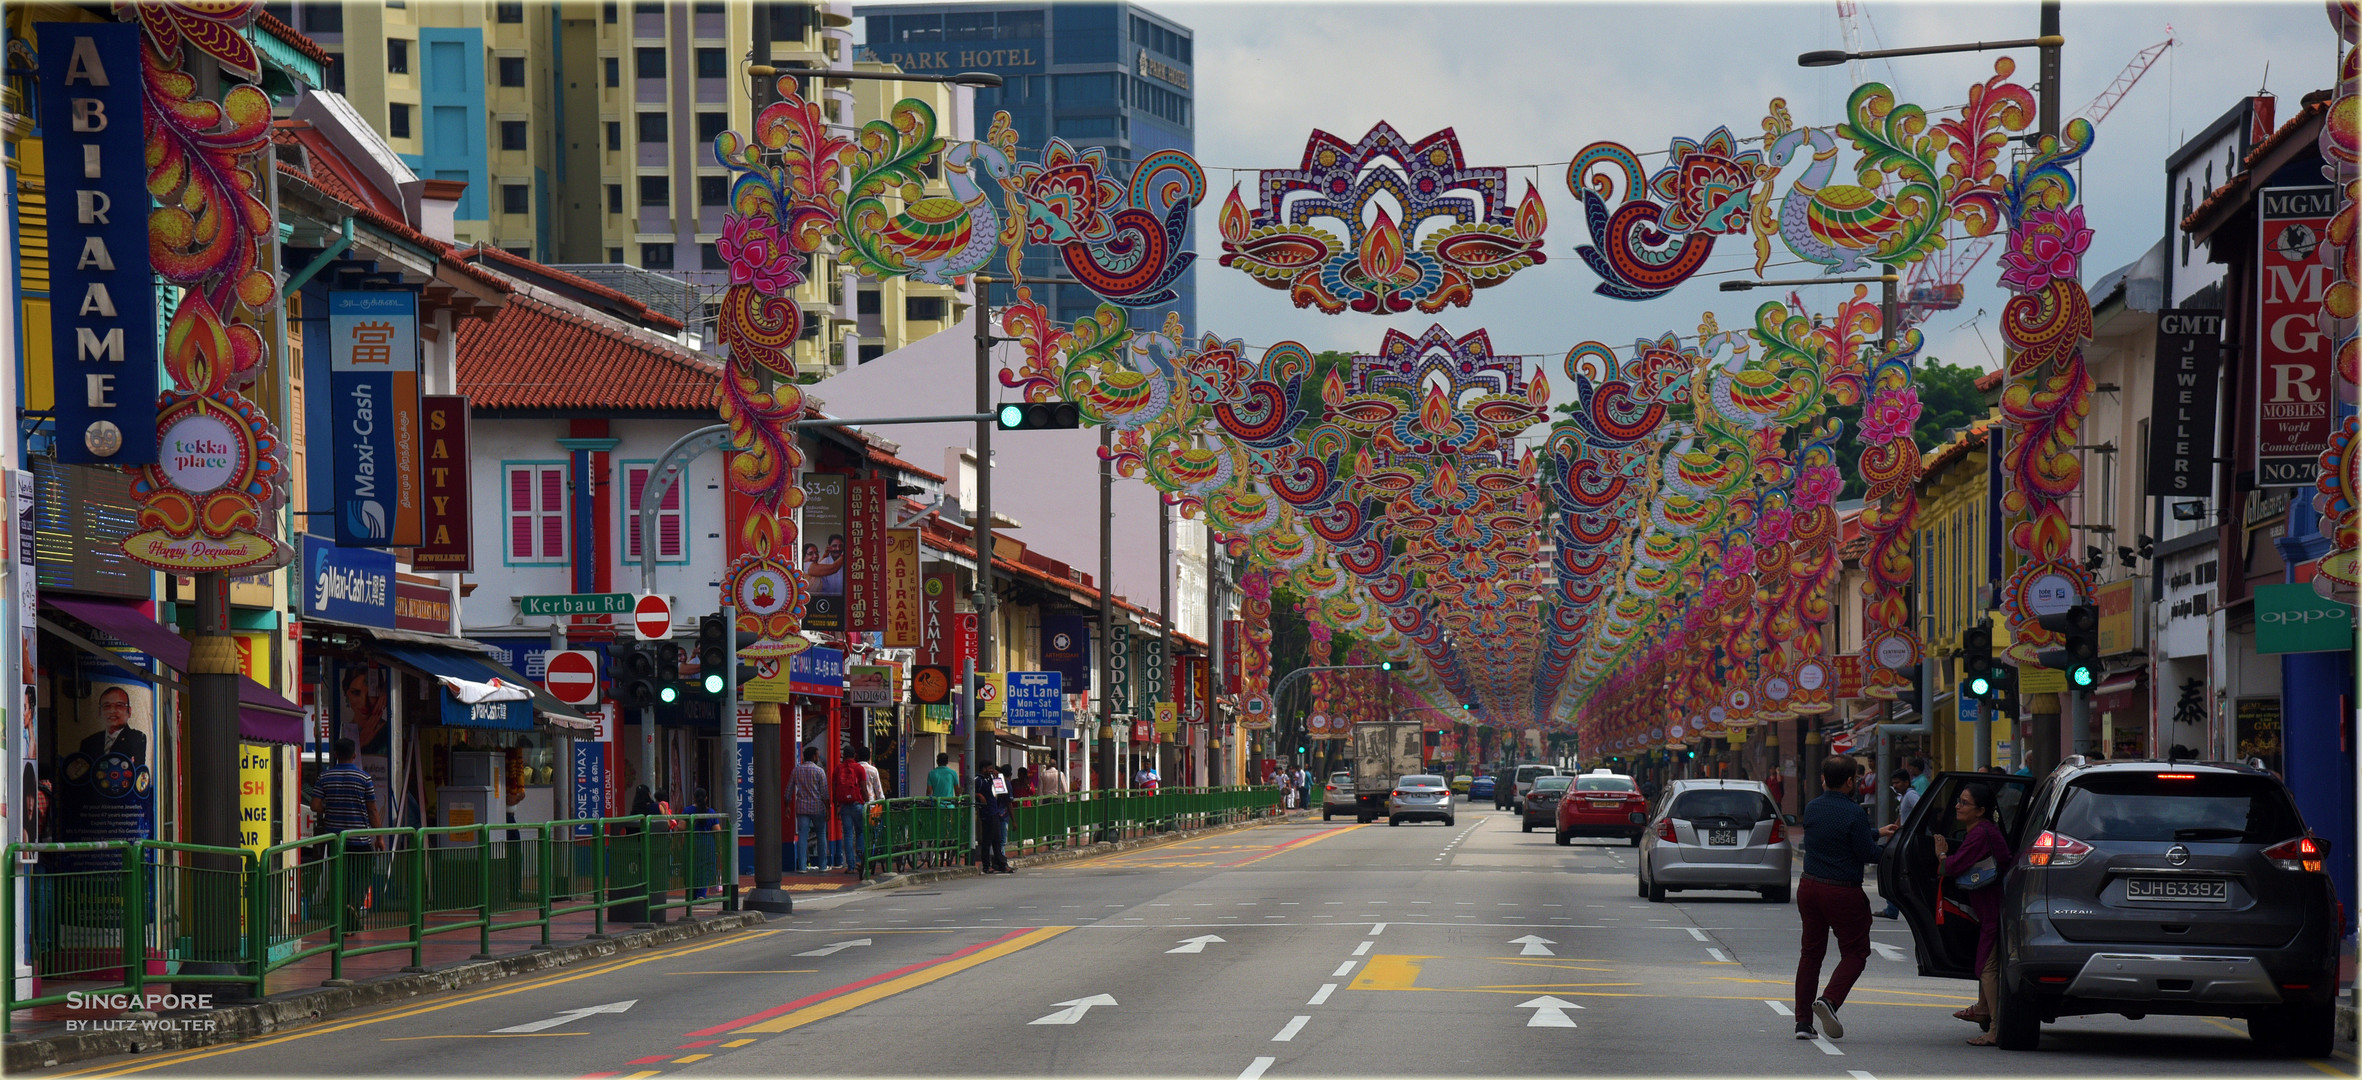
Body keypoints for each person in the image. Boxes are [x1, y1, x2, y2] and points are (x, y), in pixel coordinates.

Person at [1794, 755, 1902, 1041]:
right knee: (1855, 953)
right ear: (1851, 781)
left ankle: (1803, 1022)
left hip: (1809, 888)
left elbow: (1837, 833)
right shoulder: (1854, 812)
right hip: (1842, 891)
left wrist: (1877, 832)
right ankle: (1829, 1000)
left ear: (1823, 779)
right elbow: (1865, 852)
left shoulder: (1813, 808)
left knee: (1810, 955)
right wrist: (1895, 855)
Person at [1941, 783, 2014, 1044]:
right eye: (1959, 801)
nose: (1958, 806)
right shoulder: (1981, 831)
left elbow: (1952, 866)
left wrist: (1940, 854)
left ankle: (1995, 1028)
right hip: (1990, 911)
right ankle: (1983, 1008)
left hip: (1994, 912)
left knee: (1987, 966)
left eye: (1964, 803)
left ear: (1981, 810)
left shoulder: (1981, 834)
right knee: (1985, 962)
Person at [314, 738, 383, 931]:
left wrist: (331, 808)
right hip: (360, 839)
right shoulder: (364, 778)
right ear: (354, 755)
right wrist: (379, 837)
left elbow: (315, 805)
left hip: (336, 839)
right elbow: (372, 811)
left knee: (340, 878)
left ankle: (344, 921)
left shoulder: (324, 777)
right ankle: (352, 906)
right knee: (364, 874)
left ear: (335, 754)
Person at [1875, 770, 1917, 920]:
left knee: (1894, 873)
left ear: (1906, 782)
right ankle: (1892, 908)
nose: (1895, 786)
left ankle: (1893, 909)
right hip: (1902, 839)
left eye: (1898, 783)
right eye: (1893, 783)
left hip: (1907, 842)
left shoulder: (1911, 795)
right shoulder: (1905, 797)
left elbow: (1920, 810)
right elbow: (1902, 816)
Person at [832, 747, 880, 877]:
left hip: (844, 806)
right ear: (854, 755)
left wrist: (837, 806)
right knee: (860, 832)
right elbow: (864, 789)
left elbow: (834, 788)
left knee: (847, 835)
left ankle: (850, 866)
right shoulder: (859, 769)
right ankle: (860, 861)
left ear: (843, 755)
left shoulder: (838, 769)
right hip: (858, 804)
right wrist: (866, 804)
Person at [79, 686, 147, 765]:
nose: (112, 710)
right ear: (99, 712)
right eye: (107, 706)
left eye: (119, 705)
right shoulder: (88, 742)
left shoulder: (137, 738)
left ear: (129, 711)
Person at [788, 746, 830, 873]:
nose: (818, 757)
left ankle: (802, 867)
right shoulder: (819, 771)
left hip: (802, 807)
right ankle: (823, 866)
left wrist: (787, 806)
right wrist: (828, 808)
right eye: (817, 755)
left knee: (802, 836)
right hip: (817, 808)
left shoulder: (796, 771)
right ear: (813, 756)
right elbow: (824, 793)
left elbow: (788, 790)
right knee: (821, 835)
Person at [974, 763, 1013, 873]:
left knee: (997, 839)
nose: (991, 770)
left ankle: (1001, 863)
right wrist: (979, 795)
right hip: (986, 813)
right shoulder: (978, 780)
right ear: (983, 768)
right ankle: (986, 865)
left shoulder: (990, 779)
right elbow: (968, 791)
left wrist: (998, 777)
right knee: (987, 840)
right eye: (989, 768)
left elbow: (1001, 791)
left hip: (994, 811)